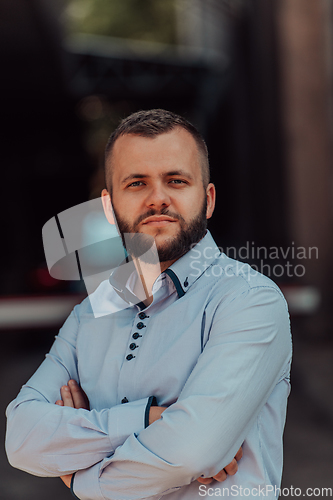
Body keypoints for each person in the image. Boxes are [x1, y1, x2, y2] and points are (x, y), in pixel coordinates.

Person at [5, 109, 292, 500]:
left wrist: (78, 476)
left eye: (176, 180)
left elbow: (190, 452)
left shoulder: (249, 301)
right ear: (109, 206)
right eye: (137, 183)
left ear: (207, 199)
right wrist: (150, 419)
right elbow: (22, 439)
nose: (158, 198)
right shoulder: (89, 314)